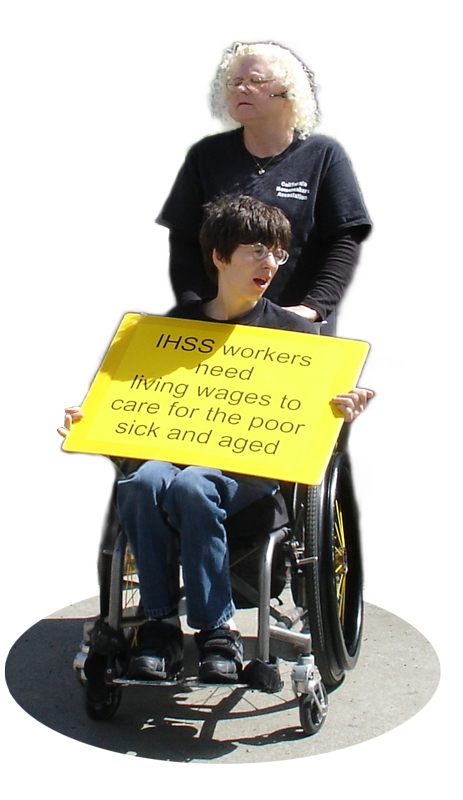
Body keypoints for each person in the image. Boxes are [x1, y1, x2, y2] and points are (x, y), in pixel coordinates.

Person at [59, 195, 373, 684]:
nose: (270, 264)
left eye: (277, 253)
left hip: (246, 475)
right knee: (141, 483)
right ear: (220, 257)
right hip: (168, 456)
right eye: (256, 250)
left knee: (192, 485)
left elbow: (310, 425)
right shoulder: (165, 329)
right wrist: (86, 416)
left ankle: (216, 629)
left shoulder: (296, 338)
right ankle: (159, 624)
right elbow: (111, 394)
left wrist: (344, 412)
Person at [154, 40, 372, 335]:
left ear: (288, 92)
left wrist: (313, 307)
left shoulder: (324, 155)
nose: (241, 89)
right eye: (235, 82)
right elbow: (182, 241)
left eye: (255, 81)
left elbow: (345, 240)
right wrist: (194, 307)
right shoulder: (205, 155)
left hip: (297, 325)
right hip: (216, 326)